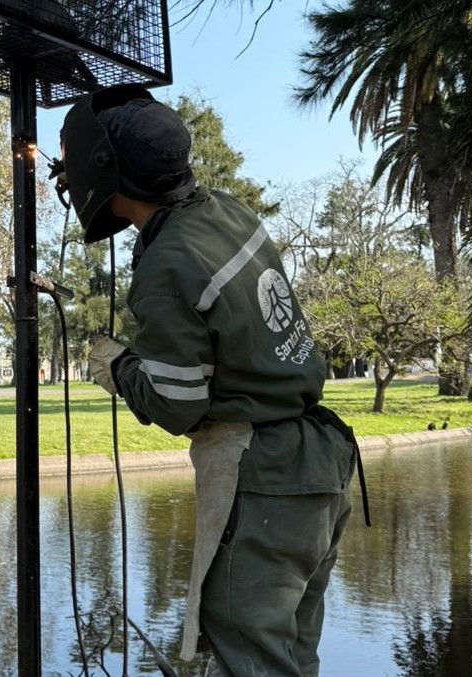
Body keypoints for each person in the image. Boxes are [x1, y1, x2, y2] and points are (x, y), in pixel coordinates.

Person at [58, 84, 363, 677]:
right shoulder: (227, 208)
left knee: (251, 658)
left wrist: (114, 366)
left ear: (106, 172)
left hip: (266, 476)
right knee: (291, 657)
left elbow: (176, 404)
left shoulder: (166, 261)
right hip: (321, 464)